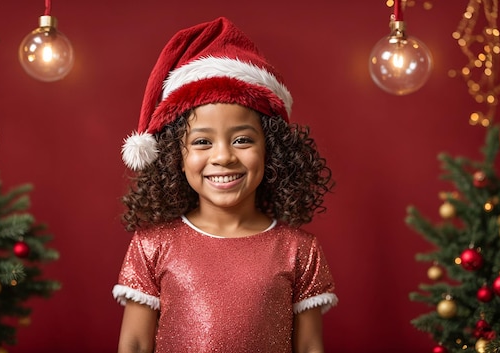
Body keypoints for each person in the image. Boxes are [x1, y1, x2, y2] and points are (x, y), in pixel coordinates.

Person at [113, 16, 338, 353]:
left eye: (242, 140)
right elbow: (133, 343)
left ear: (271, 149)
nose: (224, 157)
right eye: (203, 142)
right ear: (176, 155)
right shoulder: (152, 244)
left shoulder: (299, 251)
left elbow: (310, 347)